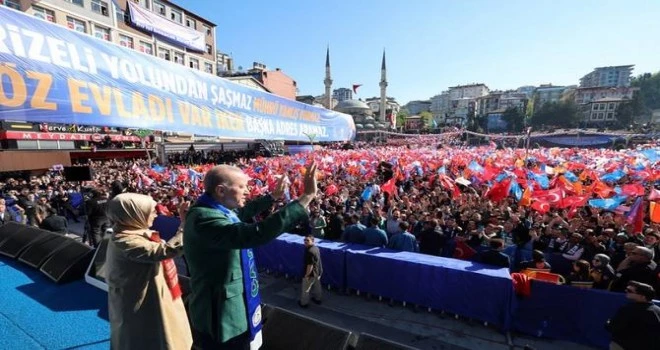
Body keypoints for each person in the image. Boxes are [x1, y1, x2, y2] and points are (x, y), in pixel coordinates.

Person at [184, 162, 318, 350]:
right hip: (220, 317)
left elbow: (241, 212)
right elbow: (255, 233)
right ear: (221, 191)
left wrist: (273, 197)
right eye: (242, 187)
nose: (248, 191)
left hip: (228, 309)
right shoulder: (205, 219)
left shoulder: (212, 209)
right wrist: (307, 197)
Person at [105, 193, 192, 350]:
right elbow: (167, 251)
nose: (156, 214)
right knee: (148, 338)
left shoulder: (129, 232)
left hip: (152, 295)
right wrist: (184, 226)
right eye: (151, 210)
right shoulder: (125, 241)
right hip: (142, 303)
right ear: (134, 213)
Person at [606, 281, 660, 350]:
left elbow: (612, 327)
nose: (626, 291)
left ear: (642, 296)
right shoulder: (658, 310)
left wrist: (608, 322)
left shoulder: (628, 309)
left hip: (624, 345)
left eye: (629, 291)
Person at [299, 234, 323, 308]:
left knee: (306, 289)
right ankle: (318, 299)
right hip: (318, 271)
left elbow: (310, 265)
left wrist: (307, 275)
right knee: (317, 286)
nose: (305, 242)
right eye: (304, 240)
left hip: (311, 274)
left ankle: (304, 303)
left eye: (307, 240)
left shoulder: (309, 251)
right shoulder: (316, 248)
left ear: (312, 241)